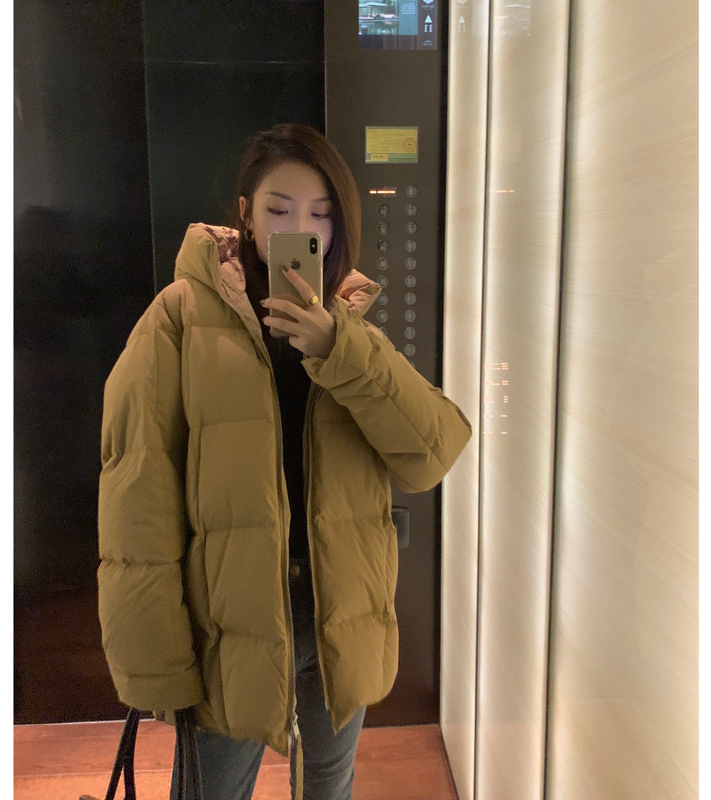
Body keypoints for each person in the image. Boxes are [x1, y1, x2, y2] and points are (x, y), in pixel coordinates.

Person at [98, 123, 471, 800]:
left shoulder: (350, 328)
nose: (301, 228)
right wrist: (158, 659)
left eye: (320, 215)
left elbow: (432, 454)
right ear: (244, 212)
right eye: (279, 210)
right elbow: (136, 498)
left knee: (329, 784)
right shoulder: (179, 318)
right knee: (212, 791)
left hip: (338, 614)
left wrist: (340, 350)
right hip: (228, 620)